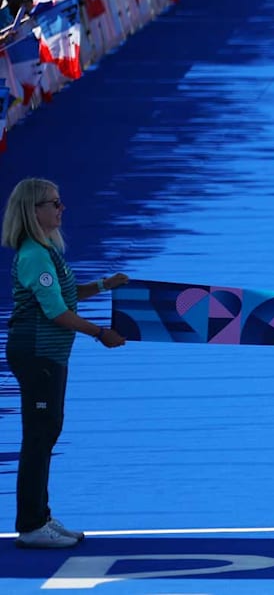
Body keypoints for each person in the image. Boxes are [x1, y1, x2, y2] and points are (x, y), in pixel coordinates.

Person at [3, 178, 127, 549]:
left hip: (49, 354)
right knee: (39, 435)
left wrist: (104, 285)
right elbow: (56, 311)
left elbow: (66, 294)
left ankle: (40, 517)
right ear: (33, 210)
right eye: (54, 203)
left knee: (46, 432)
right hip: (38, 353)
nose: (62, 209)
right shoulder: (35, 255)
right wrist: (100, 332)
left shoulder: (47, 251)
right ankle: (31, 524)